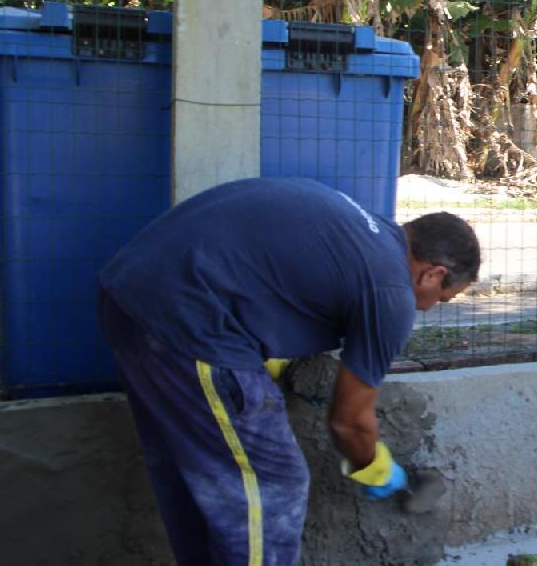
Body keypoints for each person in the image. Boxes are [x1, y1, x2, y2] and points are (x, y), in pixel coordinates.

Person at [96, 177, 480, 565]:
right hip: (190, 325)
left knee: (202, 475)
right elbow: (349, 422)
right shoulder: (391, 291)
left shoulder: (361, 233)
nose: (430, 308)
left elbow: (272, 281)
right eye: (443, 298)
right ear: (431, 273)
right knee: (273, 483)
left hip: (127, 298)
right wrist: (378, 471)